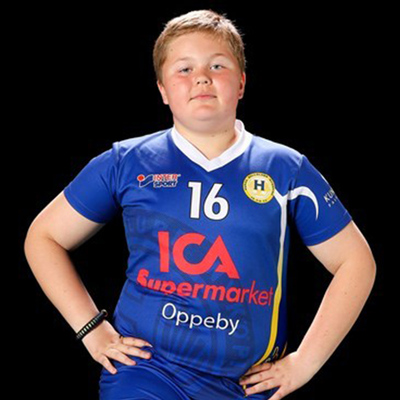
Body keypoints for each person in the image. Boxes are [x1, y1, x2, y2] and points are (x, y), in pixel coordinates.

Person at [24, 9, 376, 400]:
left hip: (246, 384)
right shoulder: (127, 162)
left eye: (217, 65)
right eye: (184, 69)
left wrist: (305, 362)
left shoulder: (286, 169)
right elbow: (44, 236)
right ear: (162, 90)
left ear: (241, 83)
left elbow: (356, 262)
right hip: (148, 370)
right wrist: (92, 330)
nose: (202, 77)